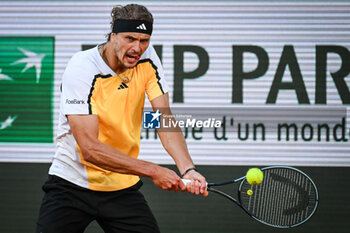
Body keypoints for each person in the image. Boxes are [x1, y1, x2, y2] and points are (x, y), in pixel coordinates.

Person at [36, 4, 208, 233]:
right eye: (130, 38)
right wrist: (154, 171)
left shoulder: (147, 60)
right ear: (113, 35)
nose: (137, 48)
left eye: (144, 40)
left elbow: (162, 118)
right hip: (72, 184)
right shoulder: (82, 68)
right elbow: (90, 149)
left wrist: (187, 169)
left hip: (120, 188)